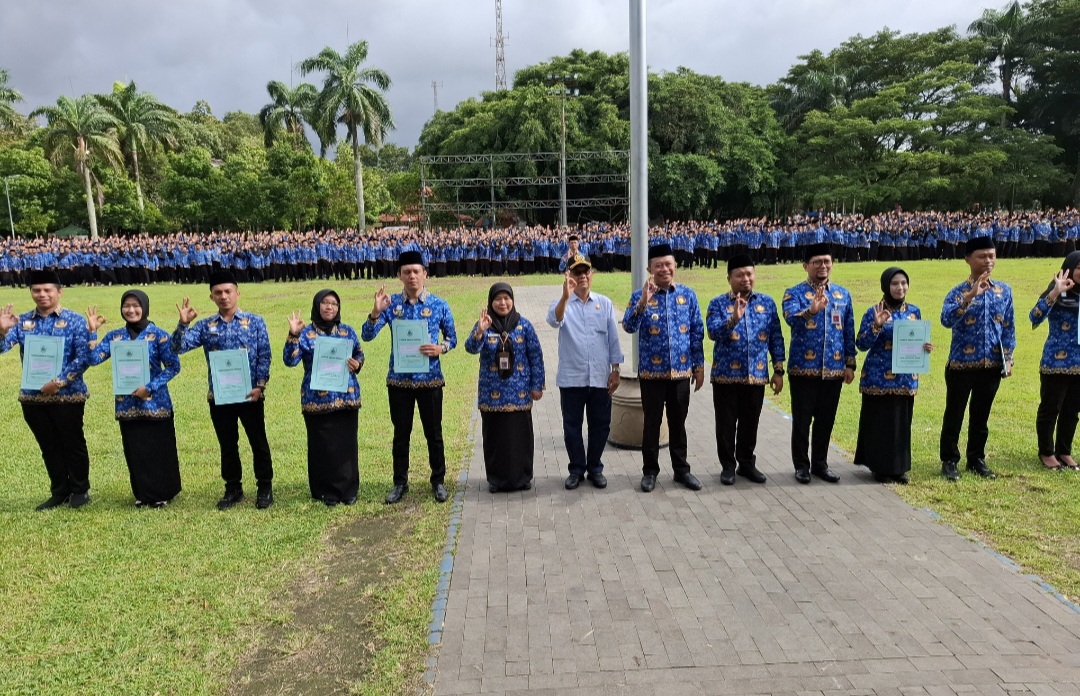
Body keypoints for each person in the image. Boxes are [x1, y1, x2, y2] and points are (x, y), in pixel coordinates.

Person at [172, 270, 274, 509]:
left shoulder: (255, 322)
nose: (224, 296)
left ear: (238, 293)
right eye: (218, 293)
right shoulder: (206, 326)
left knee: (258, 442)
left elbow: (264, 356)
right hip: (220, 396)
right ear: (211, 297)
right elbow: (178, 347)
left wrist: (260, 385)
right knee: (227, 445)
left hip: (251, 395)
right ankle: (233, 488)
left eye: (228, 291)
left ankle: (265, 487)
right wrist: (183, 324)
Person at [362, 250, 457, 504]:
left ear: (425, 273)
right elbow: (367, 335)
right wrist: (375, 311)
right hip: (400, 381)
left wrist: (441, 348)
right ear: (399, 276)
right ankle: (399, 483)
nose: (412, 276)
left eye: (416, 271)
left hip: (430, 380)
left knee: (433, 433)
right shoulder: (391, 305)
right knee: (401, 433)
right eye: (407, 272)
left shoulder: (439, 305)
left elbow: (452, 338)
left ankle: (438, 481)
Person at [0, 269, 92, 510]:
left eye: (47, 290)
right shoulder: (22, 323)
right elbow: (3, 348)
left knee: (73, 443)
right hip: (33, 398)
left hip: (67, 396)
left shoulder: (74, 321)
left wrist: (59, 382)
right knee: (48, 447)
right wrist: (1, 331)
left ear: (58, 292)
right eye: (37, 290)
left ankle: (80, 490)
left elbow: (83, 358)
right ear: (31, 292)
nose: (42, 295)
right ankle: (59, 490)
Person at [85, 290, 183, 506]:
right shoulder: (114, 337)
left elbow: (174, 366)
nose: (131, 310)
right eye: (126, 306)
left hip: (155, 404)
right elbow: (93, 359)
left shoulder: (159, 335)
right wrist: (92, 332)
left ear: (145, 307)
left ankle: (162, 494)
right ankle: (142, 494)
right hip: (127, 404)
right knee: (135, 451)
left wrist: (150, 387)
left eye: (136, 305)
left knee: (158, 449)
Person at [622, 243, 705, 493]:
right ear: (650, 268)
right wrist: (643, 303)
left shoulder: (687, 295)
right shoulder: (640, 295)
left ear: (675, 266)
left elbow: (696, 332)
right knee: (652, 424)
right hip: (651, 374)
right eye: (658, 265)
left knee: (678, 424)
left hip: (681, 373)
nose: (664, 269)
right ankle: (650, 472)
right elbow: (628, 326)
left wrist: (699, 366)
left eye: (668, 264)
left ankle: (681, 471)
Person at [939, 236, 1015, 481]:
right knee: (954, 414)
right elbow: (946, 319)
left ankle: (976, 459)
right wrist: (969, 296)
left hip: (991, 365)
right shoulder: (957, 292)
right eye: (982, 256)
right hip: (961, 364)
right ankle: (949, 460)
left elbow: (1008, 328)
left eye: (992, 256)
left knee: (981, 416)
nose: (988, 261)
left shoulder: (1004, 291)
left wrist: (1008, 358)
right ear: (968, 259)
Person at [705, 254, 784, 485]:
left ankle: (747, 463)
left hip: (756, 376)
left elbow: (776, 338)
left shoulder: (766, 303)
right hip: (725, 377)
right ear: (729, 277)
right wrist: (733, 319)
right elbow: (712, 333)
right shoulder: (718, 304)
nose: (746, 279)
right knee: (726, 425)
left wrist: (778, 370)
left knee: (751, 423)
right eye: (740, 275)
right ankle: (728, 466)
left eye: (750, 274)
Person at [546, 254, 623, 490]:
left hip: (600, 377)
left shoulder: (605, 303)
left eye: (585, 271)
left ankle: (595, 467)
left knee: (600, 425)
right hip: (572, 377)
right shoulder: (562, 303)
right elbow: (554, 320)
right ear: (568, 275)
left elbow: (613, 338)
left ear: (592, 274)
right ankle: (576, 469)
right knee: (572, 427)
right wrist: (565, 296)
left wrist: (616, 369)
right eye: (576, 272)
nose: (582, 276)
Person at [782, 243, 856, 484]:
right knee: (802, 420)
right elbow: (790, 319)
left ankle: (821, 464)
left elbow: (848, 330)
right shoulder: (793, 293)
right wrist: (811, 311)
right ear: (806, 266)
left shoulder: (842, 295)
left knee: (826, 419)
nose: (823, 266)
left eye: (827, 261)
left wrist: (850, 363)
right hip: (804, 369)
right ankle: (801, 466)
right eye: (817, 262)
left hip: (833, 369)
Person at [284, 289, 365, 505]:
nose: (330, 307)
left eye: (334, 304)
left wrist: (358, 364)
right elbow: (290, 361)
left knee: (346, 445)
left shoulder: (347, 331)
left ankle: (348, 490)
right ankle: (325, 491)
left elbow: (359, 353)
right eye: (325, 303)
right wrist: (293, 334)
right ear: (317, 305)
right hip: (316, 400)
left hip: (346, 397)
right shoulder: (306, 333)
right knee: (322, 446)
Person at [853, 268, 933, 484]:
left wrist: (925, 346)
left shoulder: (914, 312)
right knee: (880, 422)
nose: (900, 288)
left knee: (900, 422)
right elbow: (861, 344)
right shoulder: (873, 311)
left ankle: (898, 468)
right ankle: (879, 467)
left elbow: (916, 341)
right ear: (886, 286)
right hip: (877, 377)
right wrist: (876, 326)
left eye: (904, 283)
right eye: (895, 284)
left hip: (905, 378)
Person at [465, 282, 546, 492]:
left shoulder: (524, 325)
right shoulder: (484, 324)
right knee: (495, 438)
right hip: (492, 395)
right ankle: (497, 480)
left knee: (520, 438)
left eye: (506, 298)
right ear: (491, 302)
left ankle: (522, 478)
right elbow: (470, 348)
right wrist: (479, 331)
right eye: (498, 299)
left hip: (519, 393)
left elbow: (535, 356)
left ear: (512, 300)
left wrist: (537, 386)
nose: (503, 303)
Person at [1029, 251, 1080, 471]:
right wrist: (1054, 293)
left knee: (1072, 410)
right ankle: (1047, 452)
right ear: (1069, 267)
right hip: (1056, 362)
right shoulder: (1057, 292)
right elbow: (1035, 316)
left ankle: (1064, 451)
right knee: (1051, 408)